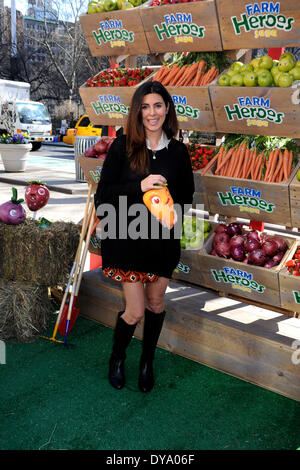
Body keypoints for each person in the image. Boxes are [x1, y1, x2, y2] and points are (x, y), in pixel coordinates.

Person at [94, 80, 195, 393]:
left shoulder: (178, 152)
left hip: (162, 243)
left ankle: (147, 362)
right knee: (135, 310)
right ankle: (118, 357)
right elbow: (103, 197)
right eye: (145, 106)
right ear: (137, 111)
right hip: (126, 240)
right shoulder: (123, 147)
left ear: (167, 109)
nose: (152, 113)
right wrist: (139, 187)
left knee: (155, 305)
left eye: (158, 105)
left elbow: (187, 196)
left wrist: (173, 208)